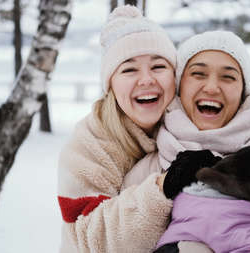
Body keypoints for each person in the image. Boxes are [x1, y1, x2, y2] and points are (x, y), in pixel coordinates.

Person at [122, 31, 250, 253]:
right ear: (179, 85)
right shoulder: (147, 169)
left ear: (243, 90)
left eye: (228, 77)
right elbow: (126, 242)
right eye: (198, 74)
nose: (212, 87)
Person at [57, 5, 178, 252]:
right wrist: (160, 189)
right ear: (110, 85)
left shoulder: (190, 130)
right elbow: (92, 239)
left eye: (158, 66)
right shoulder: (88, 146)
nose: (146, 79)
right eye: (129, 70)